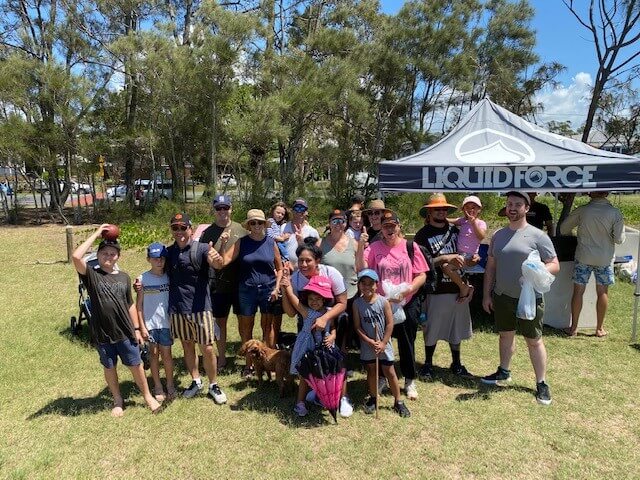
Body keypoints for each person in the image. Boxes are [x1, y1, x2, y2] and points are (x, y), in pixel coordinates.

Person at [71, 225, 161, 416]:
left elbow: (129, 304)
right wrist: (96, 234)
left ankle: (147, 397)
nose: (108, 257)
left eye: (112, 254)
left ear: (118, 257)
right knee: (109, 366)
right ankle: (118, 400)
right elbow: (76, 257)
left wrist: (137, 329)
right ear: (98, 255)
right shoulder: (92, 276)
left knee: (135, 365)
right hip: (103, 332)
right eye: (104, 253)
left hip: (125, 331)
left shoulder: (124, 277)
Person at [481, 191, 559, 406]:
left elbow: (555, 265)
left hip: (530, 298)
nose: (512, 208)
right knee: (505, 336)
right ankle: (504, 371)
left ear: (527, 208)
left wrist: (538, 269)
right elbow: (491, 266)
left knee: (534, 341)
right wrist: (487, 294)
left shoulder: (538, 236)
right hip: (503, 296)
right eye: (509, 204)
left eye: (517, 204)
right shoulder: (498, 235)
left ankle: (541, 383)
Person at [356, 210, 428, 400]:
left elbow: (421, 274)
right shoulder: (374, 247)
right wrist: (361, 246)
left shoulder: (410, 246)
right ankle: (381, 378)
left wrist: (408, 290)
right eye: (385, 226)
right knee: (380, 341)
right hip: (381, 303)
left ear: (399, 227)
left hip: (407, 302)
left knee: (406, 341)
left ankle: (410, 379)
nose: (389, 229)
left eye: (392, 226)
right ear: (381, 229)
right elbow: (361, 269)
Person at [166, 212, 227, 404]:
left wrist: (217, 258)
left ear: (190, 229)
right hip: (178, 308)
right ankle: (195, 380)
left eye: (183, 227)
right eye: (175, 228)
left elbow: (217, 263)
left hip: (201, 307)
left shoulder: (201, 249)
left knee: (207, 348)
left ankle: (213, 384)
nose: (179, 231)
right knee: (187, 345)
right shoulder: (169, 252)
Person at [414, 193, 475, 380]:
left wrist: (471, 260)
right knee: (431, 329)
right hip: (436, 289)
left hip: (457, 288)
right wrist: (446, 258)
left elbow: (466, 254)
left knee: (455, 329)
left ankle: (456, 363)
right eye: (437, 209)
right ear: (429, 212)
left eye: (444, 209)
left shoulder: (456, 231)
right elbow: (422, 263)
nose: (441, 212)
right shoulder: (422, 235)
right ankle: (428, 364)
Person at [218, 209, 283, 377]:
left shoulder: (271, 242)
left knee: (267, 327)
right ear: (248, 225)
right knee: (247, 328)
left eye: (259, 222)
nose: (256, 226)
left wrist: (277, 287)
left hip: (268, 289)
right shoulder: (242, 242)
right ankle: (249, 365)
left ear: (264, 224)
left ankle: (268, 363)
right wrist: (224, 244)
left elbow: (280, 267)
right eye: (253, 223)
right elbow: (224, 261)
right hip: (247, 290)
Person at [560, 191, 625, 337]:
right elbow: (619, 239)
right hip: (605, 259)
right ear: (607, 193)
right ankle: (599, 328)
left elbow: (564, 229)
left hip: (583, 256)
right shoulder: (615, 213)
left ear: (590, 193)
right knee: (602, 292)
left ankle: (574, 328)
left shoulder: (583, 210)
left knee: (578, 292)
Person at [353, 269, 411, 417]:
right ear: (359, 285)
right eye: (363, 283)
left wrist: (384, 342)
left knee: (389, 371)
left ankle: (398, 400)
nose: (367, 287)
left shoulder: (383, 302)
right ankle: (373, 397)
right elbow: (358, 326)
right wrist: (369, 341)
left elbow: (390, 324)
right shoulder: (357, 304)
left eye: (370, 284)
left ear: (376, 285)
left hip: (384, 343)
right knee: (372, 370)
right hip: (368, 344)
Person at [199, 194, 246, 370]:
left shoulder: (241, 229)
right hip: (218, 285)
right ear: (214, 211)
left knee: (244, 321)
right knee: (220, 322)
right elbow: (202, 257)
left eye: (225, 208)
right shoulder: (206, 233)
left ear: (231, 208)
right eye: (219, 208)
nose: (222, 212)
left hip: (240, 284)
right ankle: (222, 357)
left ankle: (246, 357)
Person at [283, 276, 340, 417]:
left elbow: (333, 327)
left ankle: (317, 396)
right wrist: (287, 285)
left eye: (318, 299)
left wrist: (333, 336)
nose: (314, 302)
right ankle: (300, 402)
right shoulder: (306, 312)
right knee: (305, 375)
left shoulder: (329, 312)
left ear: (324, 299)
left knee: (323, 373)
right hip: (307, 347)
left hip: (324, 348)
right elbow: (293, 299)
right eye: (311, 299)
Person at [136, 242, 175, 402]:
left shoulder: (169, 277)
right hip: (150, 325)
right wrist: (142, 327)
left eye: (161, 258)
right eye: (155, 259)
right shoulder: (142, 279)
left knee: (167, 355)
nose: (159, 261)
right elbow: (138, 306)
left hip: (166, 324)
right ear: (148, 259)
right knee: (153, 355)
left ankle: (170, 384)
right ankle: (158, 385)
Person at [320, 209, 358, 355]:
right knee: (330, 326)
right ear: (329, 224)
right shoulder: (321, 243)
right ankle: (328, 355)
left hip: (350, 292)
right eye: (334, 221)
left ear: (346, 223)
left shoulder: (354, 243)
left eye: (341, 221)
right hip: (327, 294)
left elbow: (361, 266)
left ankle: (343, 357)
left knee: (347, 325)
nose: (338, 224)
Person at [282, 198, 320, 269]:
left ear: (306, 212)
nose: (299, 211)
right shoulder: (283, 227)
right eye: (296, 208)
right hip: (286, 270)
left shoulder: (312, 232)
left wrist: (302, 243)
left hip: (306, 271)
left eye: (302, 208)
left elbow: (317, 254)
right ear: (292, 210)